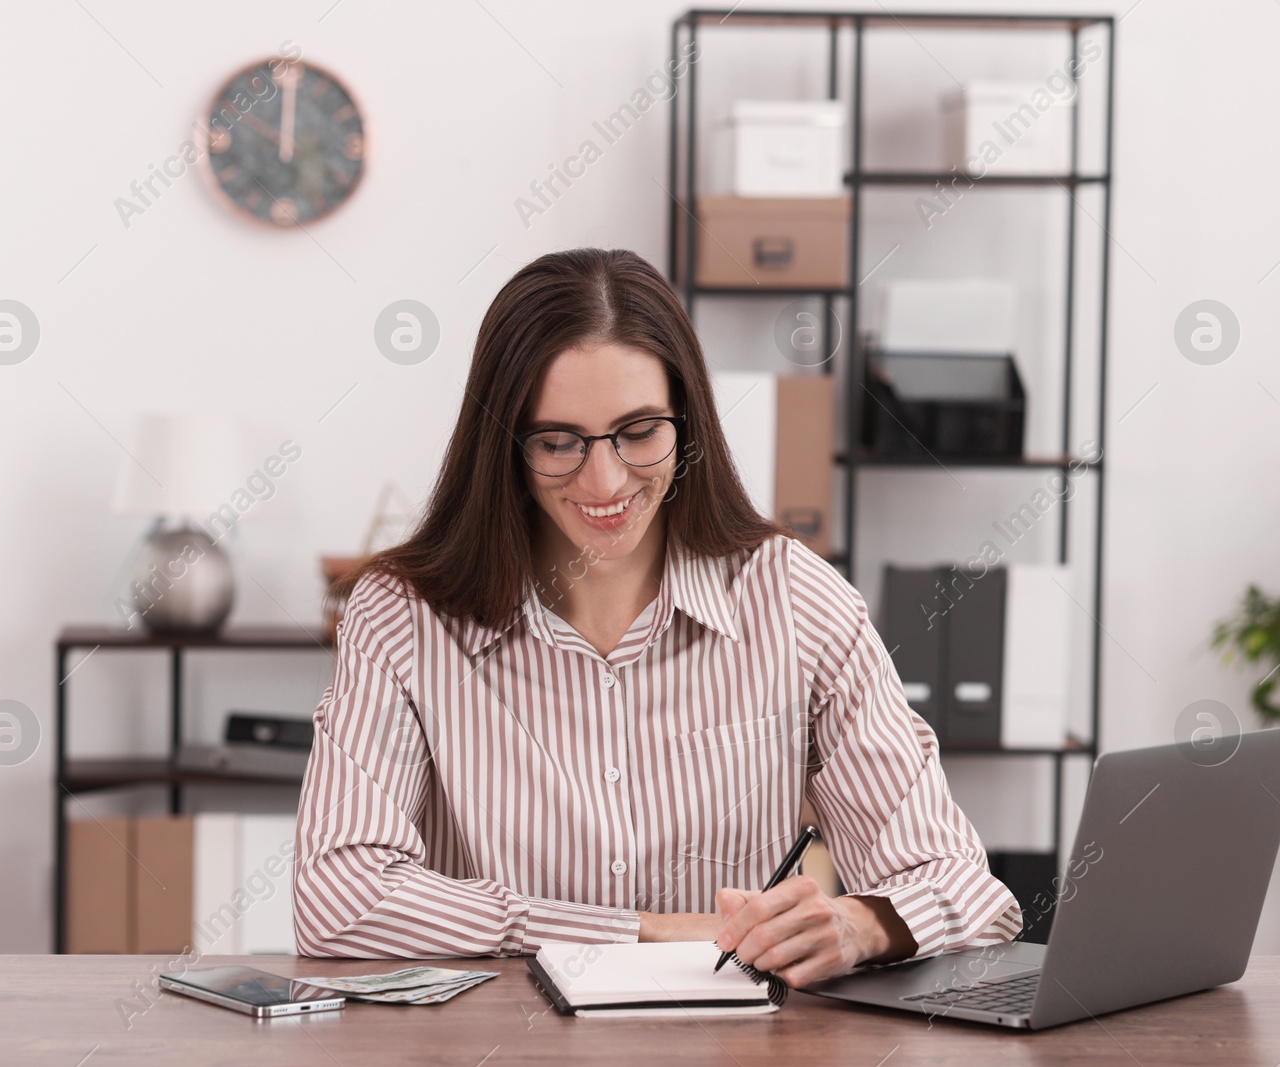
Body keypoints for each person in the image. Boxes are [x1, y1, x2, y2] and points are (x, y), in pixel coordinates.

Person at [293, 248, 1021, 987]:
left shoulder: (795, 599)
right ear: (503, 447)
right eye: (556, 442)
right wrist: (640, 933)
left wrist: (857, 924)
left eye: (639, 432)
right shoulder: (402, 616)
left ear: (687, 420)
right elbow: (337, 897)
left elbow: (967, 889)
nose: (604, 481)